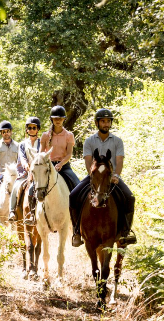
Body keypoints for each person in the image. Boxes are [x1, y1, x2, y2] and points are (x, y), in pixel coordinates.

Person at [69, 108, 137, 247]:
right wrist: (93, 176)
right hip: (94, 177)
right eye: (103, 121)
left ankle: (126, 232)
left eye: (108, 121)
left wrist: (116, 175)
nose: (106, 124)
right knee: (73, 196)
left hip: (111, 177)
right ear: (97, 123)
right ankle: (76, 232)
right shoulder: (89, 141)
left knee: (130, 197)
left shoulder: (117, 141)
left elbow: (119, 161)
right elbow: (88, 161)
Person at [8, 117, 41, 224]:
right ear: (27, 130)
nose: (31, 129)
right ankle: (12, 211)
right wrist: (26, 165)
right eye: (29, 127)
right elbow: (22, 157)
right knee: (16, 187)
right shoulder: (22, 144)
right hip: (26, 173)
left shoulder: (41, 142)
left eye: (34, 127)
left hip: (39, 172)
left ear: (37, 129)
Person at [40, 105, 80, 192]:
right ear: (52, 119)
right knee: (33, 187)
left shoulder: (69, 135)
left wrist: (60, 164)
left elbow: (69, 154)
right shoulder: (45, 135)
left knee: (78, 185)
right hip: (48, 165)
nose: (58, 121)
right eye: (55, 118)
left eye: (60, 118)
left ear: (64, 119)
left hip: (64, 166)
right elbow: (41, 154)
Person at [0, 120, 19, 205]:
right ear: (1, 133)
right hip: (0, 174)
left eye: (8, 131)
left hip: (14, 175)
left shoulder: (18, 146)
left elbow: (20, 161)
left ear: (11, 132)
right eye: (4, 132)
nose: (6, 133)